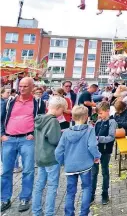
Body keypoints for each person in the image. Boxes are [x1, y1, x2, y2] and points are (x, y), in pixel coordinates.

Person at [1, 77, 46, 212]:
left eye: (25, 86)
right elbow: (1, 118)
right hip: (9, 139)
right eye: (20, 86)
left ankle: (25, 198)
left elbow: (41, 121)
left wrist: (34, 133)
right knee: (6, 171)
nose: (21, 88)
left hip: (27, 140)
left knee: (28, 170)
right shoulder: (10, 101)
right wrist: (2, 134)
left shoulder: (38, 103)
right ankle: (4, 199)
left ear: (32, 87)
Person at [55, 105, 101, 216]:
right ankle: (84, 213)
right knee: (86, 188)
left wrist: (63, 162)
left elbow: (58, 151)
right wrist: (97, 156)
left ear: (73, 117)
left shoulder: (66, 132)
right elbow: (92, 146)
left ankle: (69, 213)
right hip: (85, 165)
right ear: (86, 117)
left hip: (70, 166)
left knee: (70, 192)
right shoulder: (89, 130)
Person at [31, 96, 67, 216]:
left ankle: (36, 211)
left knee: (39, 185)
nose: (62, 113)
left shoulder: (39, 119)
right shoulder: (53, 121)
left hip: (40, 156)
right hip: (51, 158)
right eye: (62, 110)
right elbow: (54, 140)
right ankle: (49, 213)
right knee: (52, 186)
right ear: (58, 108)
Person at [91, 102, 117, 205]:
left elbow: (111, 137)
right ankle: (91, 195)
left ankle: (105, 194)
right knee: (94, 173)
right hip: (96, 151)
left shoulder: (112, 122)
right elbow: (94, 133)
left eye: (101, 113)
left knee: (105, 172)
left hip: (105, 151)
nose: (99, 116)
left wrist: (98, 139)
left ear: (107, 111)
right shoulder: (98, 121)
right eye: (98, 114)